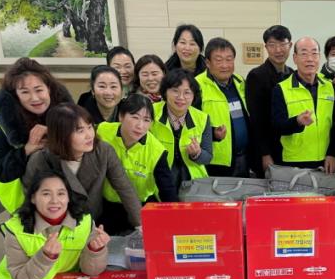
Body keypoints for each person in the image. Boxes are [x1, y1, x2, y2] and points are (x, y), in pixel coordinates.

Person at [23, 103, 142, 232]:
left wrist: (141, 224)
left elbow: (124, 188)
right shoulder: (41, 160)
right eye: (80, 131)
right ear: (61, 135)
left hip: (93, 220)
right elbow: (30, 202)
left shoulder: (103, 151)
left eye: (90, 127)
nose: (89, 135)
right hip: (56, 227)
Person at [0, 58, 72, 213]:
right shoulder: (6, 127)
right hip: (26, 205)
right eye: (25, 92)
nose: (34, 98)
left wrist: (54, 131)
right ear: (16, 96)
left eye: (39, 90)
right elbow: (0, 173)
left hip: (68, 200)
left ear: (49, 89)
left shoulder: (69, 116)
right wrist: (26, 149)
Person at [97, 94, 177, 234]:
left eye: (146, 120)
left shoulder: (157, 151)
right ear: (121, 116)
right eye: (135, 117)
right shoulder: (102, 131)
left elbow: (167, 190)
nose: (140, 126)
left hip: (140, 207)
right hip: (105, 206)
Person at [271, 37, 335, 172]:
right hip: (293, 161)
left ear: (319, 57)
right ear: (295, 58)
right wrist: (297, 121)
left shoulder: (330, 87)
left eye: (314, 53)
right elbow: (276, 126)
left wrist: (333, 153)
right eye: (304, 53)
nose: (310, 59)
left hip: (325, 160)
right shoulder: (281, 89)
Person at [196, 37, 253, 177]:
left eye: (229, 59)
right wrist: (212, 133)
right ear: (208, 63)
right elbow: (191, 124)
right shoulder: (197, 85)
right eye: (218, 60)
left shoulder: (240, 82)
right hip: (216, 162)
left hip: (244, 157)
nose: (225, 65)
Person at [151, 69, 212, 189]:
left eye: (187, 92)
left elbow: (208, 157)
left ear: (194, 96)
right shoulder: (150, 113)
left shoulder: (202, 118)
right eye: (175, 91)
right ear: (165, 92)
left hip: (193, 183)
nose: (181, 97)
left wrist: (197, 153)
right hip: (158, 180)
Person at [245, 25, 293, 176]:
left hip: (290, 148)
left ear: (290, 45)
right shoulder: (256, 76)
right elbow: (256, 120)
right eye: (272, 45)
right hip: (268, 150)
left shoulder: (293, 75)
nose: (278, 50)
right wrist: (265, 154)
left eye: (282, 44)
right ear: (266, 47)